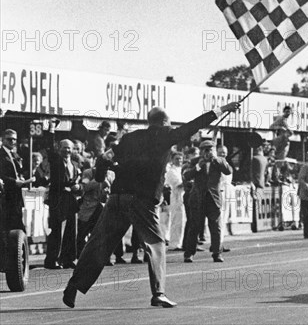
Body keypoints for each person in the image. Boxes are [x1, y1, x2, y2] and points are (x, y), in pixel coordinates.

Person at [62, 101, 240, 309]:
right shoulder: (164, 135)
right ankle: (159, 293)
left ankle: (73, 287)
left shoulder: (129, 138)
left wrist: (101, 177)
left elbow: (103, 159)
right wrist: (221, 110)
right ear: (165, 122)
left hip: (117, 197)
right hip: (142, 200)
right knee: (156, 244)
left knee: (98, 244)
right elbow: (193, 126)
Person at [183, 140, 232, 263]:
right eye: (205, 150)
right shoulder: (195, 162)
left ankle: (217, 253)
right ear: (200, 151)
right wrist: (198, 166)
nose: (208, 152)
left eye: (210, 149)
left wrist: (216, 159)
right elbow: (187, 176)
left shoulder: (219, 161)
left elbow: (228, 170)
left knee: (215, 227)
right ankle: (189, 253)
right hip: (198, 198)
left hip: (213, 199)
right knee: (194, 227)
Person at [45, 140, 82, 270]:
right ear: (59, 149)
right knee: (57, 231)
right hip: (58, 201)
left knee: (72, 231)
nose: (67, 151)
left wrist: (78, 186)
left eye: (69, 148)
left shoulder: (75, 165)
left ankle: (69, 259)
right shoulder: (56, 162)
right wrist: (51, 130)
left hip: (71, 202)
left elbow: (79, 182)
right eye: (64, 148)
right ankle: (52, 259)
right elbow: (56, 182)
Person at [0, 129, 35, 231]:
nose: (12, 142)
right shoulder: (1, 155)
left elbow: (19, 171)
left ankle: (18, 245)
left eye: (14, 139)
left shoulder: (15, 155)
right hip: (5, 195)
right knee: (7, 224)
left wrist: (22, 178)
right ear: (3, 140)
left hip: (16, 195)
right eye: (9, 139)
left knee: (17, 222)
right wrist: (14, 182)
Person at [163, 152, 186, 250]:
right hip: (176, 197)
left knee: (182, 221)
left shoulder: (181, 169)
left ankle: (180, 242)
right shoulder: (171, 171)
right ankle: (174, 243)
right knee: (177, 221)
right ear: (172, 160)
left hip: (183, 197)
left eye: (181, 159)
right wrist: (189, 181)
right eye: (177, 159)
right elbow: (179, 184)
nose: (179, 161)